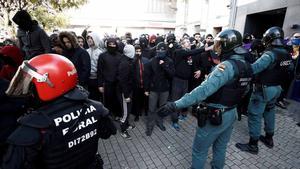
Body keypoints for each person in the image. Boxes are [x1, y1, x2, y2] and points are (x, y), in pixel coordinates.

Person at [156, 29, 253, 169]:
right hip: (231, 113)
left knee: (199, 151)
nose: (217, 47)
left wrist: (175, 105)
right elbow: (245, 90)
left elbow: (202, 91)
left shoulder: (225, 67)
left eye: (220, 44)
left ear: (227, 45)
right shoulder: (246, 65)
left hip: (215, 115)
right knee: (220, 148)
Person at [2, 54, 117, 169]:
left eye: (31, 86)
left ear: (48, 84)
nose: (30, 92)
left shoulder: (32, 128)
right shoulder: (96, 107)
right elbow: (107, 132)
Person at [236, 27, 292, 154]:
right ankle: (269, 138)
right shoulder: (287, 53)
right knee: (269, 111)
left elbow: (253, 69)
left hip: (264, 89)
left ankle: (253, 145)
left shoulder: (270, 54)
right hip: (277, 89)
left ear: (269, 38)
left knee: (255, 115)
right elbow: (289, 70)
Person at [144, 42, 175, 136]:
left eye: (163, 50)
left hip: (164, 89)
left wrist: (164, 66)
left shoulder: (169, 61)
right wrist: (146, 89)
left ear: (166, 50)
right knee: (151, 108)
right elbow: (147, 77)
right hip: (154, 89)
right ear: (156, 50)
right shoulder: (151, 61)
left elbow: (172, 75)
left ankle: (160, 122)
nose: (160, 51)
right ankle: (150, 126)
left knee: (162, 108)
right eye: (159, 49)